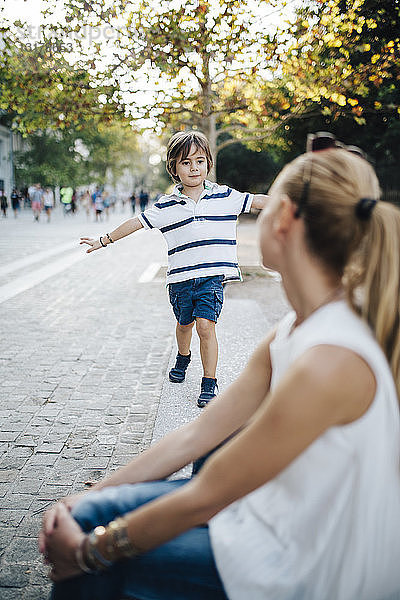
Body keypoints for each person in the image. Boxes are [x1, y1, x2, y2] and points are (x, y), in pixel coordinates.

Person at [40, 138, 400, 600]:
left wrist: (92, 551)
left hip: (299, 563)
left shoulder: (331, 360)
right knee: (90, 513)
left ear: (285, 219)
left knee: (92, 570)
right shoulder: (293, 329)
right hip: (263, 517)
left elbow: (209, 492)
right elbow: (197, 435)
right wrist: (84, 499)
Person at [79, 131, 267, 406]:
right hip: (180, 281)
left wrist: (293, 204)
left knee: (205, 326)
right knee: (184, 325)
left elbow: (258, 201)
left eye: (200, 161)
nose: (194, 168)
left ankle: (209, 382)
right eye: (186, 162)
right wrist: (103, 240)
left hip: (211, 280)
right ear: (174, 168)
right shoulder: (165, 206)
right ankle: (183, 356)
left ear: (208, 164)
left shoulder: (225, 196)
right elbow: (135, 223)